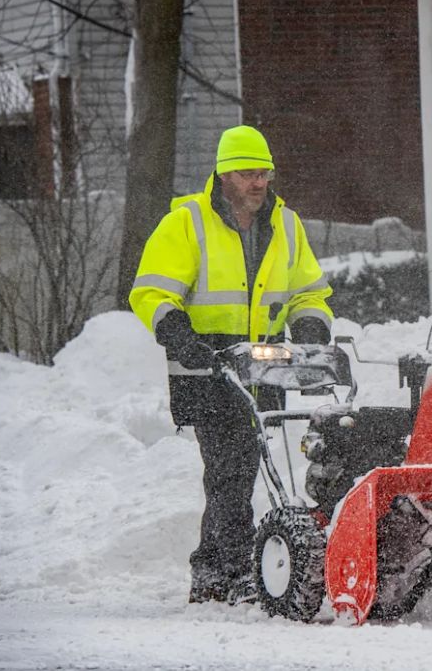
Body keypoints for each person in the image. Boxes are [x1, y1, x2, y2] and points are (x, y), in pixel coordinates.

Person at [129, 125, 333, 605]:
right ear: (224, 175)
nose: (258, 182)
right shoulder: (187, 222)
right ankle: (229, 572)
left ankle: (224, 567)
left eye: (264, 172)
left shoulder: (286, 224)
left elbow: (310, 292)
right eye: (247, 173)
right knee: (230, 470)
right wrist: (177, 333)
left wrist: (309, 327)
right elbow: (150, 291)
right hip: (205, 368)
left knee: (243, 468)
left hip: (262, 367)